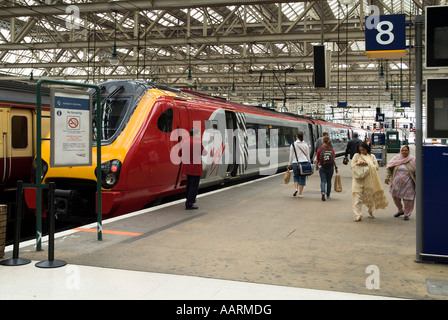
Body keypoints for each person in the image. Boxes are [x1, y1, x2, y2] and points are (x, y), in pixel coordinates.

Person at [351, 142, 388, 222]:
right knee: (357, 197)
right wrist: (358, 163)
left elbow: (376, 167)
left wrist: (368, 164)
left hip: (369, 180)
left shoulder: (372, 156)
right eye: (360, 150)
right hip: (358, 180)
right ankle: (358, 214)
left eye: (363, 150)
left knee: (370, 198)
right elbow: (352, 165)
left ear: (367, 149)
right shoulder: (356, 156)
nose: (362, 152)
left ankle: (370, 211)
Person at [385, 145, 416, 221]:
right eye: (403, 150)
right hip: (396, 183)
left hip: (408, 183)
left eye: (406, 150)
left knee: (407, 199)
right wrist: (387, 177)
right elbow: (389, 168)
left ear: (409, 151)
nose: (404, 152)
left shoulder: (413, 160)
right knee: (395, 196)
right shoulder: (396, 158)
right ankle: (400, 210)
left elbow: (417, 170)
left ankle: (407, 214)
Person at [183, 128, 207, 210]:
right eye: (199, 134)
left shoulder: (185, 142)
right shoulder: (197, 143)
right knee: (194, 186)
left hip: (187, 167)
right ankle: (189, 203)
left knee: (189, 185)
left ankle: (188, 199)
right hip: (195, 168)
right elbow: (204, 153)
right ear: (196, 134)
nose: (199, 136)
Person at [287, 131, 310, 198]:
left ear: (296, 136)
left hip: (295, 163)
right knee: (302, 177)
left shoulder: (293, 145)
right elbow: (308, 155)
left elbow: (291, 156)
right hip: (304, 163)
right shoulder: (305, 144)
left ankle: (296, 189)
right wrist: (309, 162)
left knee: (296, 176)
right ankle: (300, 193)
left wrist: (289, 164)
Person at [315, 136, 338, 201]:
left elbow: (317, 160)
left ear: (323, 141)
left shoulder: (319, 149)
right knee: (329, 181)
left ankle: (323, 192)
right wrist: (336, 167)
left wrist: (316, 166)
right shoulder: (332, 149)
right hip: (330, 167)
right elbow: (334, 159)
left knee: (323, 181)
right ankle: (328, 194)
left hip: (322, 167)